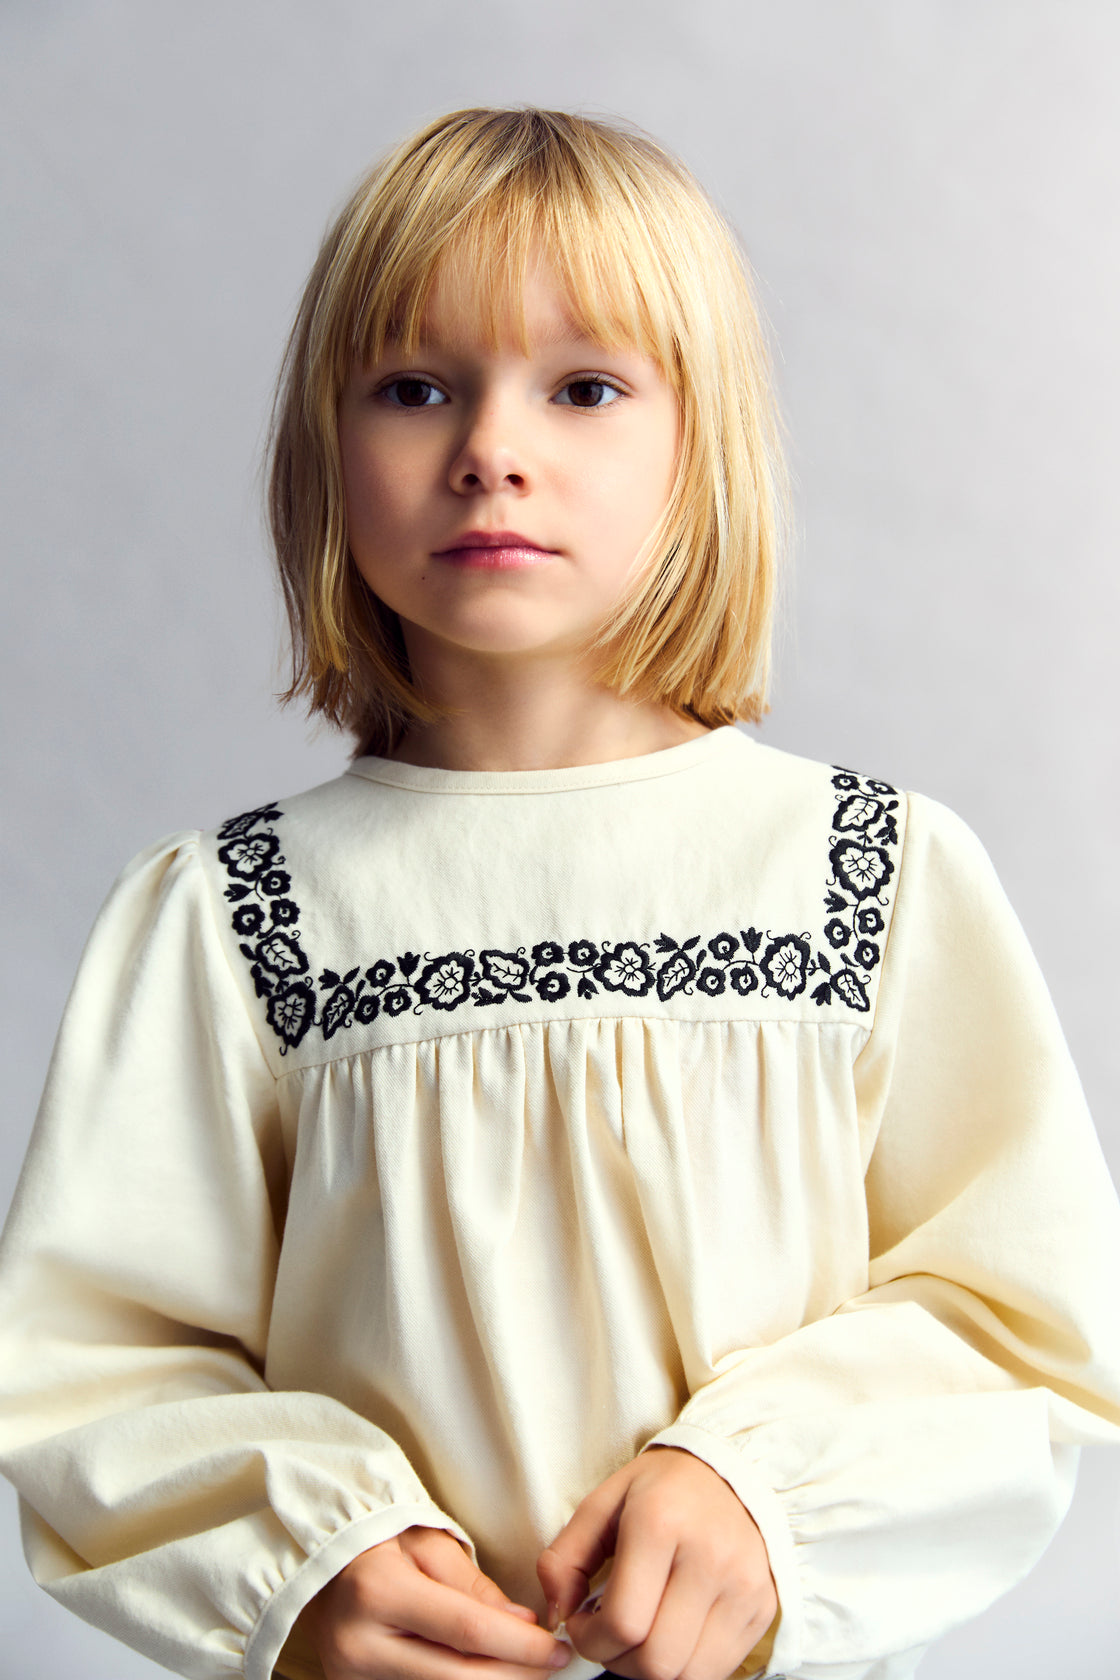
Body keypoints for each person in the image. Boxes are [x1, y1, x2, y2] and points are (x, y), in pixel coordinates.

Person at [0, 106, 1117, 1680]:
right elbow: (91, 1361)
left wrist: (763, 1491)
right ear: (330, 442)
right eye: (414, 385)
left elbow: (1021, 1323)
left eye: (585, 387)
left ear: (699, 436)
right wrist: (304, 1566)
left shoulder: (875, 878)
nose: (489, 449)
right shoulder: (229, 914)